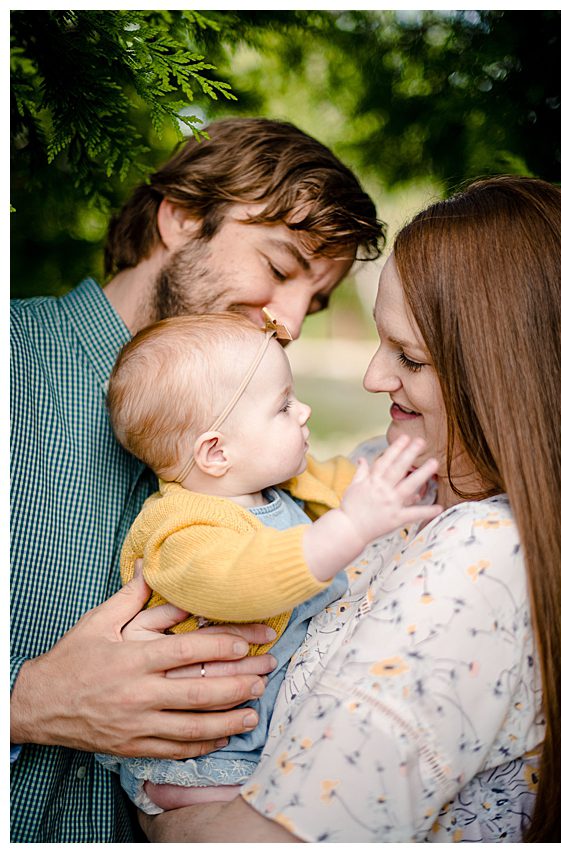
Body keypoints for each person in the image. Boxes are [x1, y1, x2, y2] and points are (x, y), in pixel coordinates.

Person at [141, 175, 561, 842]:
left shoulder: (484, 556)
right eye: (379, 340)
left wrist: (165, 818)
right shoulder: (394, 466)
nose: (372, 376)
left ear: (498, 374)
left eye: (412, 358)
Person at [9, 117, 383, 843]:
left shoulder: (266, 442)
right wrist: (26, 705)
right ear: (181, 217)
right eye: (280, 269)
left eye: (316, 298)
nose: (291, 320)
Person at [95, 311, 441, 814]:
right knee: (256, 808)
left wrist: (397, 477)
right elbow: (241, 579)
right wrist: (348, 529)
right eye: (283, 407)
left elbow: (348, 479)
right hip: (204, 755)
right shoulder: (180, 531)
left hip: (263, 725)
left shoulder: (279, 486)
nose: (303, 413)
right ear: (216, 453)